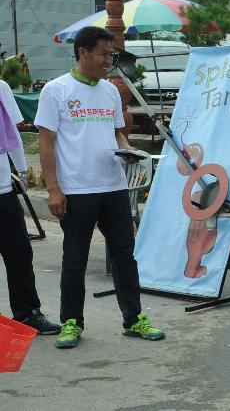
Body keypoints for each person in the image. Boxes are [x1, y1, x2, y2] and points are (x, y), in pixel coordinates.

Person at [35, 26, 165, 349]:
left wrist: (128, 151)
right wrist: (53, 188)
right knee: (75, 258)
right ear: (82, 53)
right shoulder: (55, 91)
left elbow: (117, 134)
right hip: (76, 190)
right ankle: (71, 323)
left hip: (113, 186)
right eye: (104, 54)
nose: (109, 60)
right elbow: (46, 143)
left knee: (124, 255)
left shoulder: (109, 91)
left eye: (112, 55)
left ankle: (134, 319)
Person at [0, 79, 61, 335]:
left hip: (2, 190)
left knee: (19, 254)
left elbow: (11, 133)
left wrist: (23, 169)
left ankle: (27, 314)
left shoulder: (1, 87)